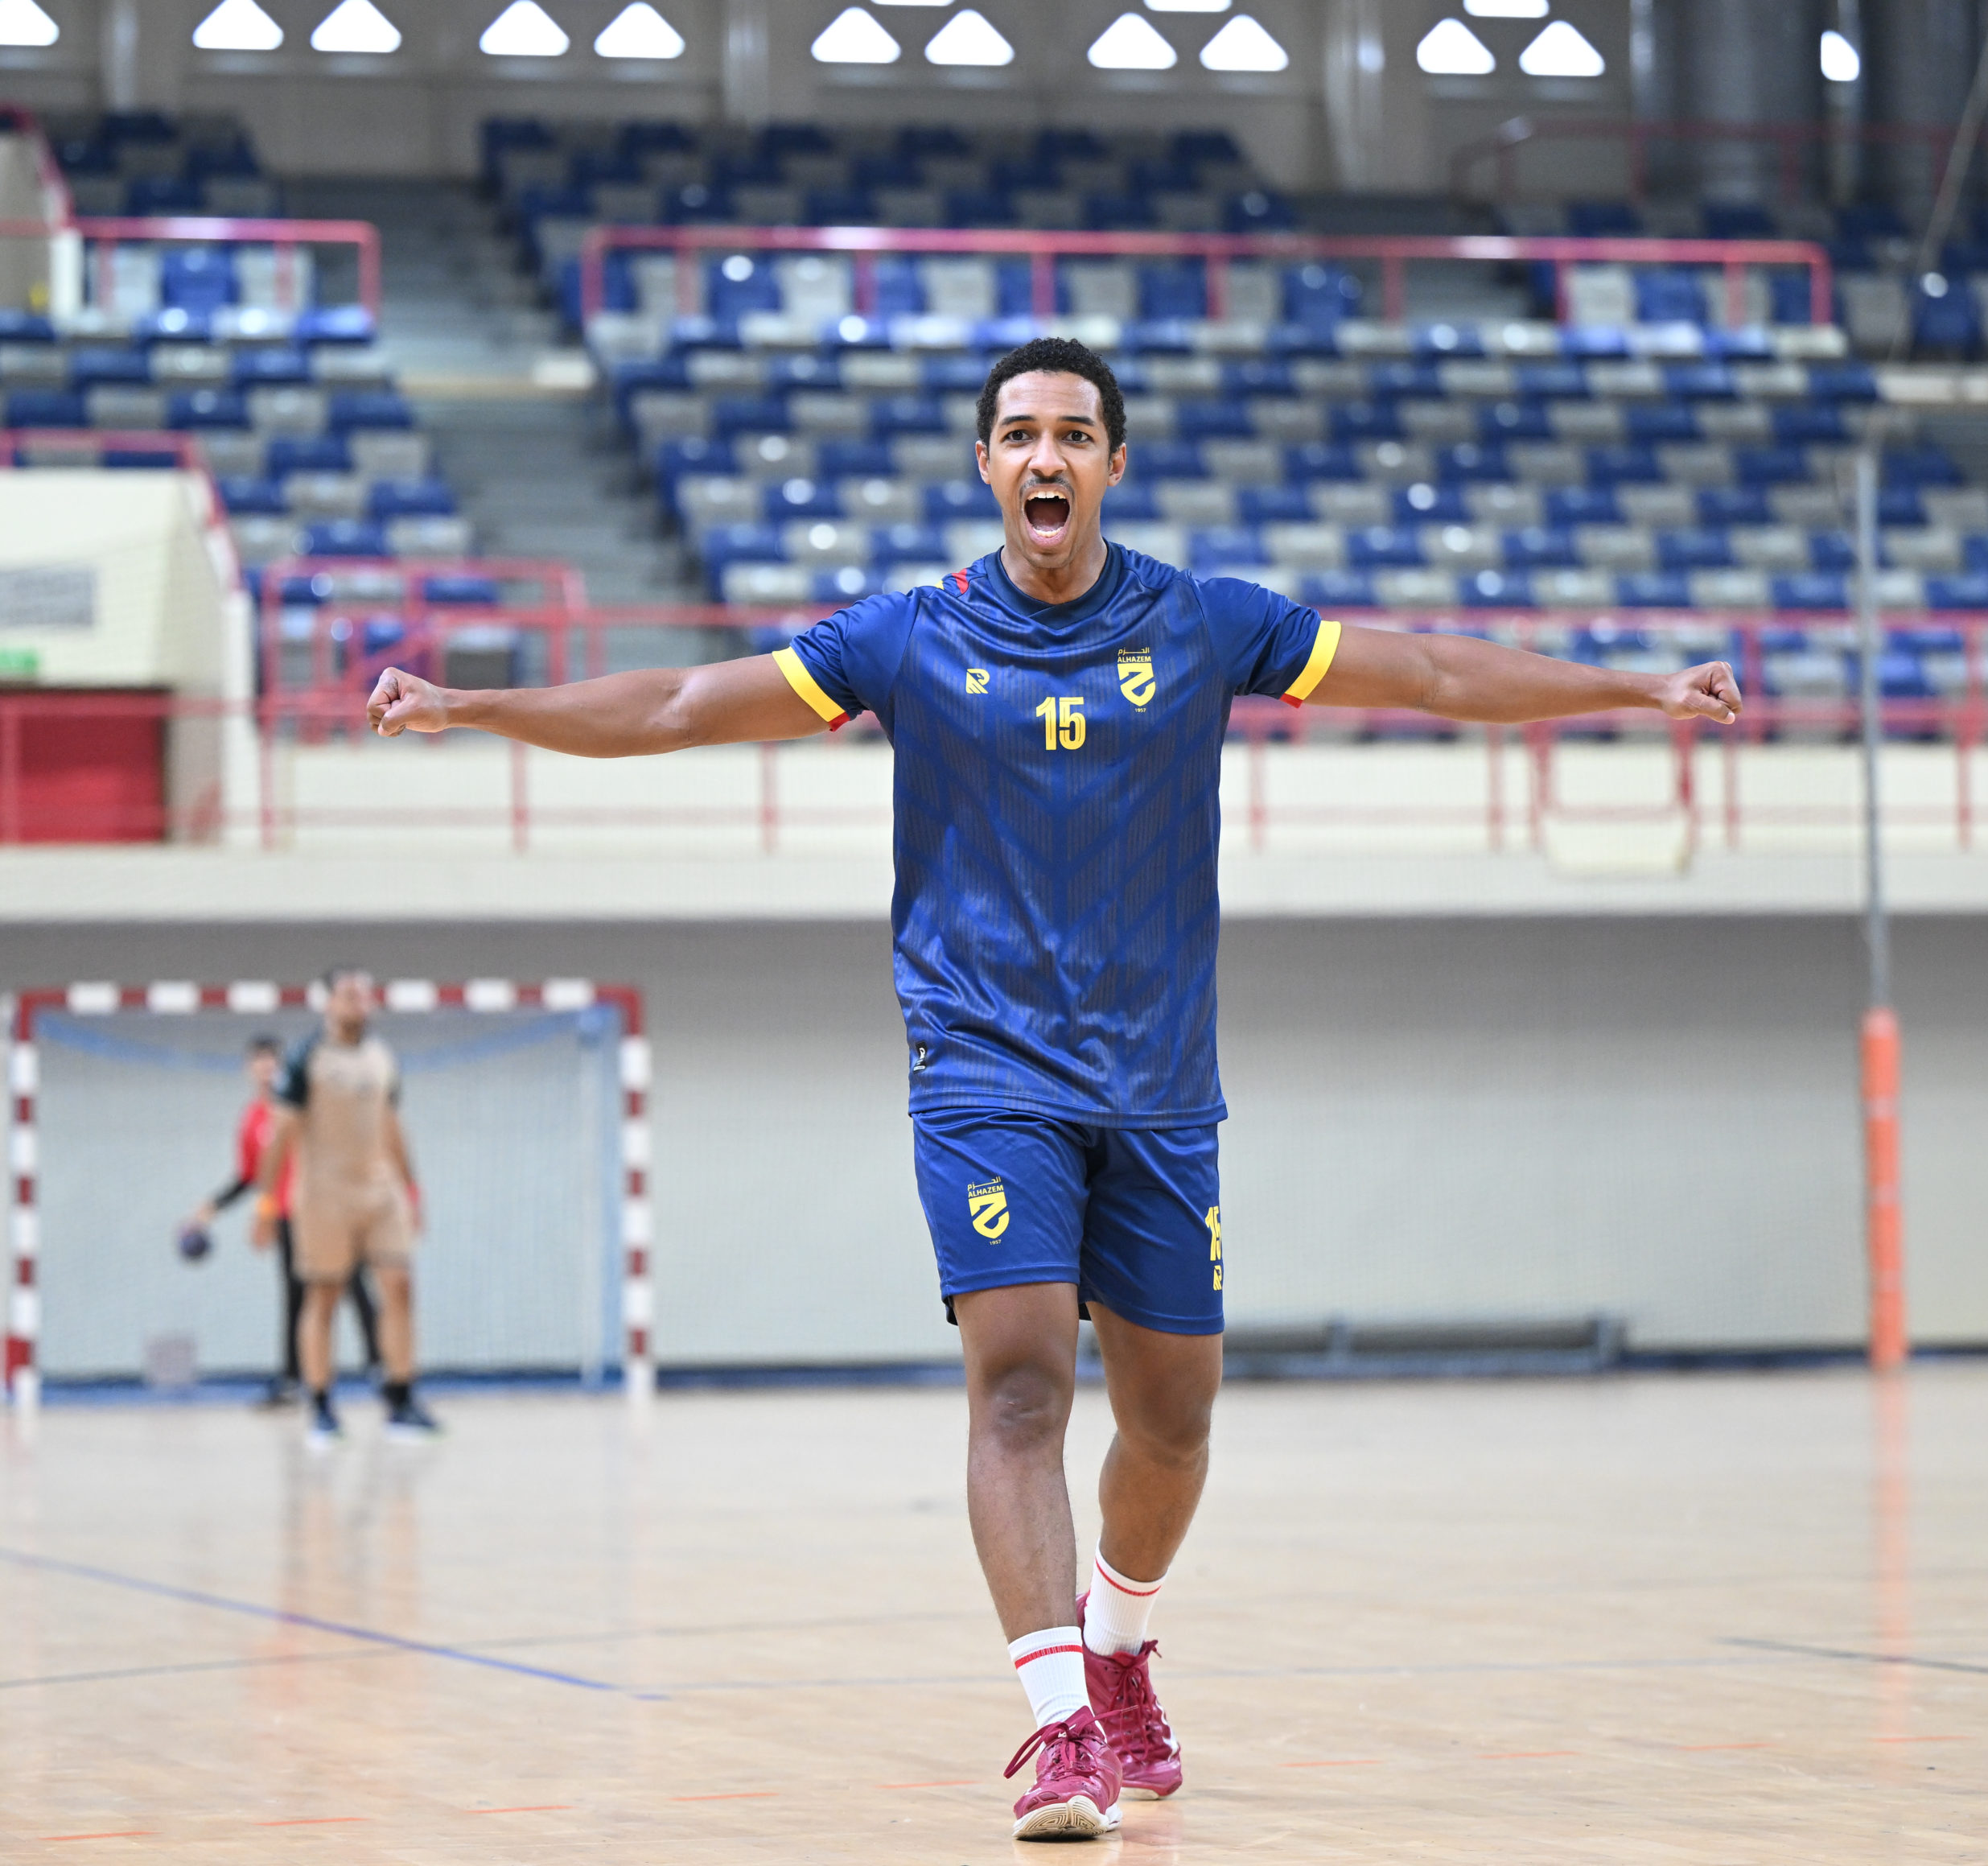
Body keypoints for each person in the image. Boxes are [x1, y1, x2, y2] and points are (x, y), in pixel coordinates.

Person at [366, 336, 1743, 1841]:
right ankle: (1062, 1724)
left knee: (1175, 1419)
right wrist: (473, 705)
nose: (1046, 455)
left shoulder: (1203, 621)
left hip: (1158, 1081)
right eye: (1020, 432)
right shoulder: (911, 636)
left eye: (1074, 434)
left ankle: (1120, 1643)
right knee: (1020, 1384)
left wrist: (1635, 688)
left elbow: (1424, 671)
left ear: (1111, 463)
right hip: (983, 1064)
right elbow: (685, 701)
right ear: (985, 464)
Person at [252, 968, 438, 1446]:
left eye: (365, 994)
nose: (360, 1001)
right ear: (328, 1003)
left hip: (380, 1192)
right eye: (349, 994)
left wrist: (412, 1188)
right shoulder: (305, 1058)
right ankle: (320, 1407)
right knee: (324, 1298)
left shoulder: (382, 1056)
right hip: (324, 1197)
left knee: (399, 1287)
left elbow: (391, 1124)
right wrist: (267, 1204)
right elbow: (281, 1133)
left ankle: (401, 1400)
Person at [188, 1034, 381, 1408]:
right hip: (287, 1215)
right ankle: (292, 1381)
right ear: (249, 1070)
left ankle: (382, 1368)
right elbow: (251, 1175)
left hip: (324, 1208)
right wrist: (214, 1206)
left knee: (354, 1284)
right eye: (259, 1063)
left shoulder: (304, 1107)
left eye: (272, 1063)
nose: (266, 1070)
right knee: (295, 1297)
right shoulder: (252, 1120)